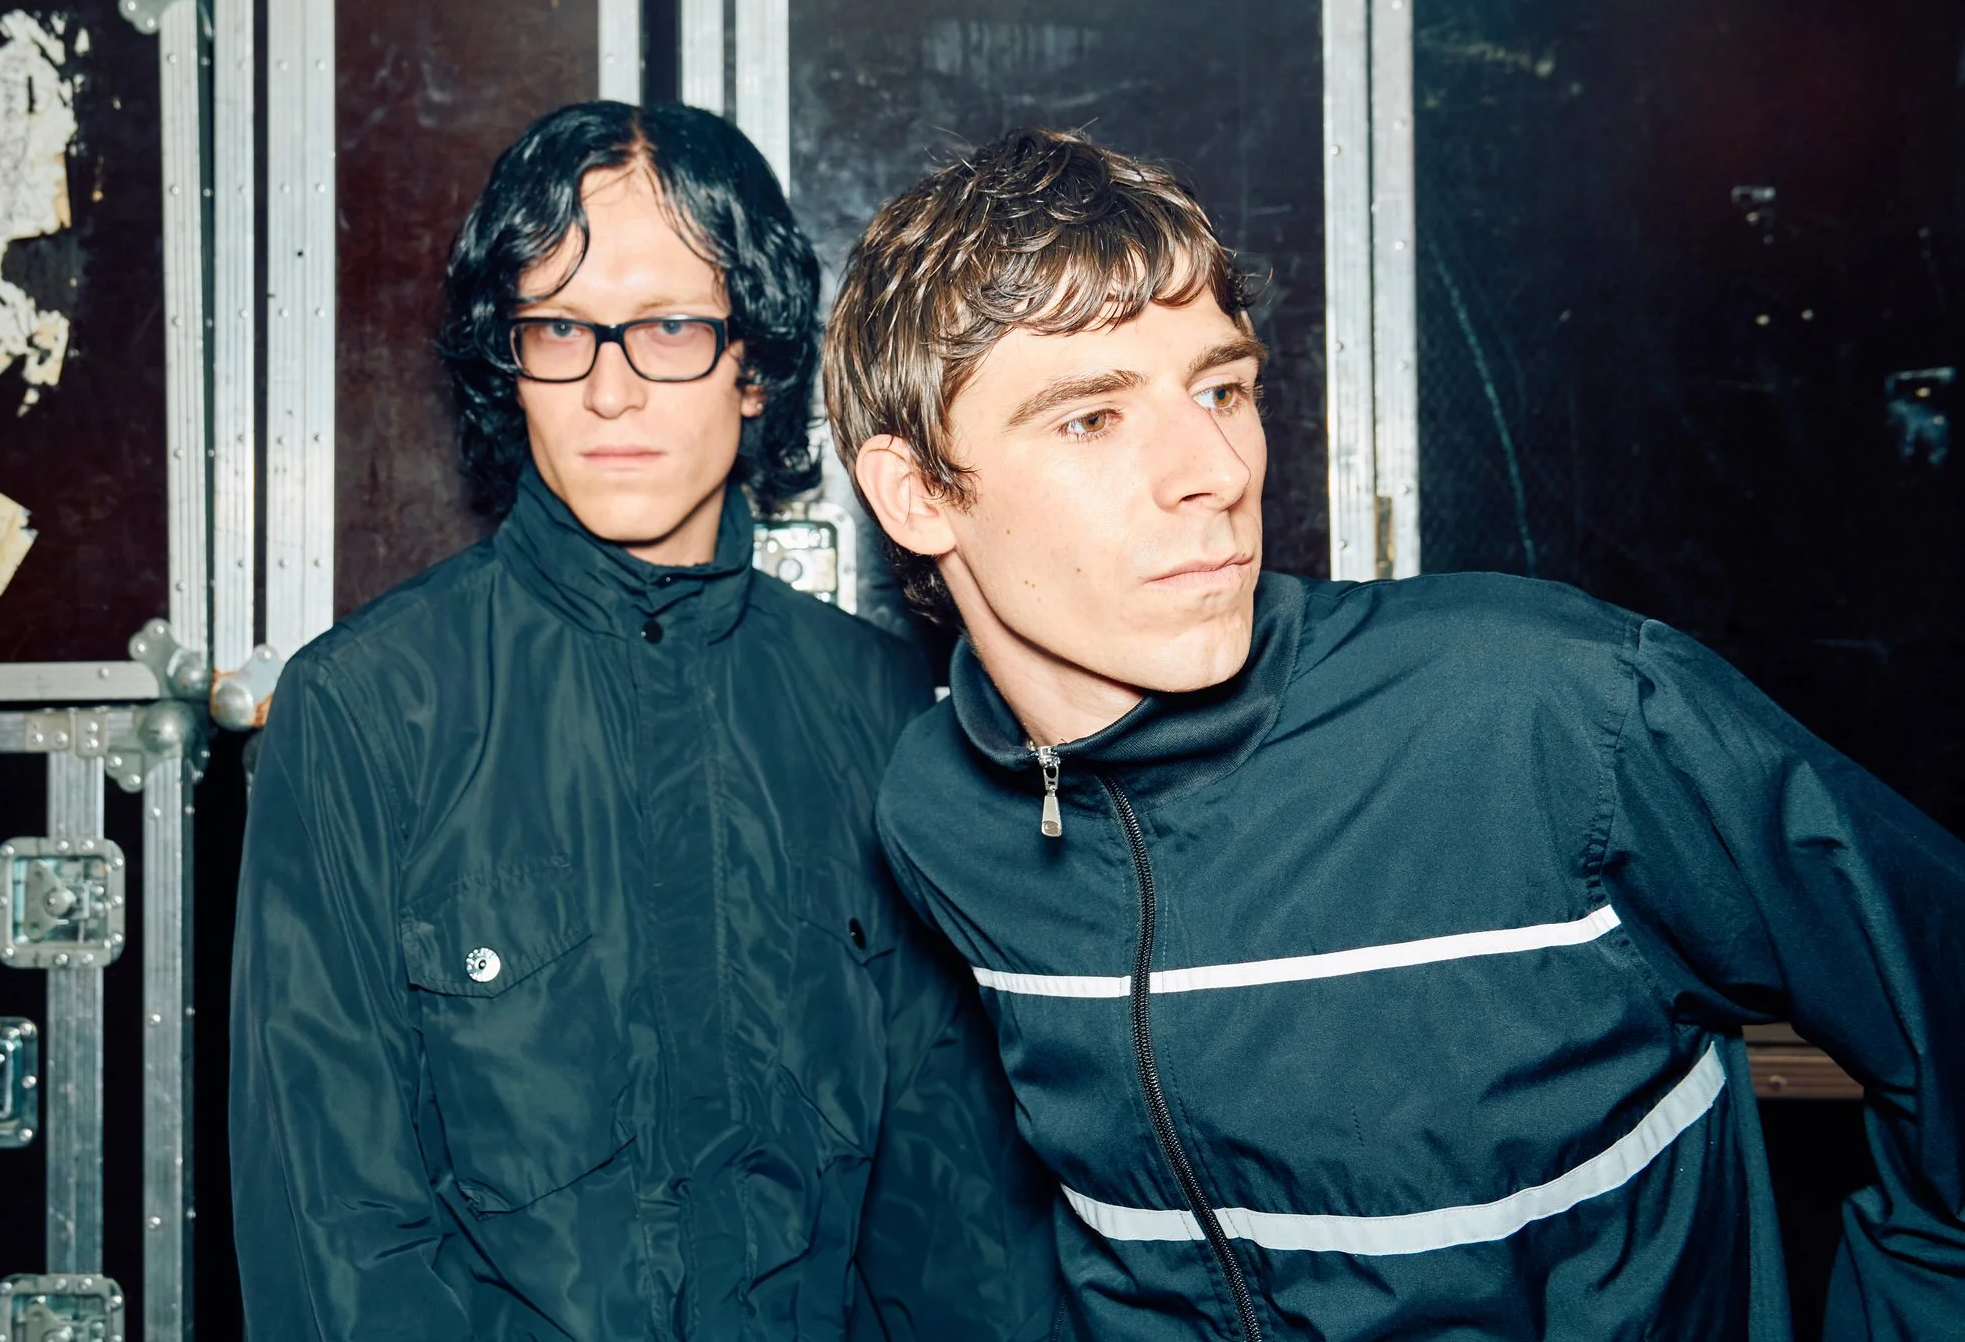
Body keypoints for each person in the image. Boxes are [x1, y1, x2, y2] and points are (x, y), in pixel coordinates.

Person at [822, 127, 1965, 1340]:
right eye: (1090, 420)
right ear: (918, 494)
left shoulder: (1549, 710)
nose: (1212, 467)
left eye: (1221, 388)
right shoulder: (938, 814)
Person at [229, 102, 1057, 1342]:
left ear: (755, 363)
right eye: (560, 329)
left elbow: (954, 1223)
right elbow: (332, 1232)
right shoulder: (366, 710)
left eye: (668, 326)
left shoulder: (883, 710)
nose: (610, 389)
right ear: (508, 362)